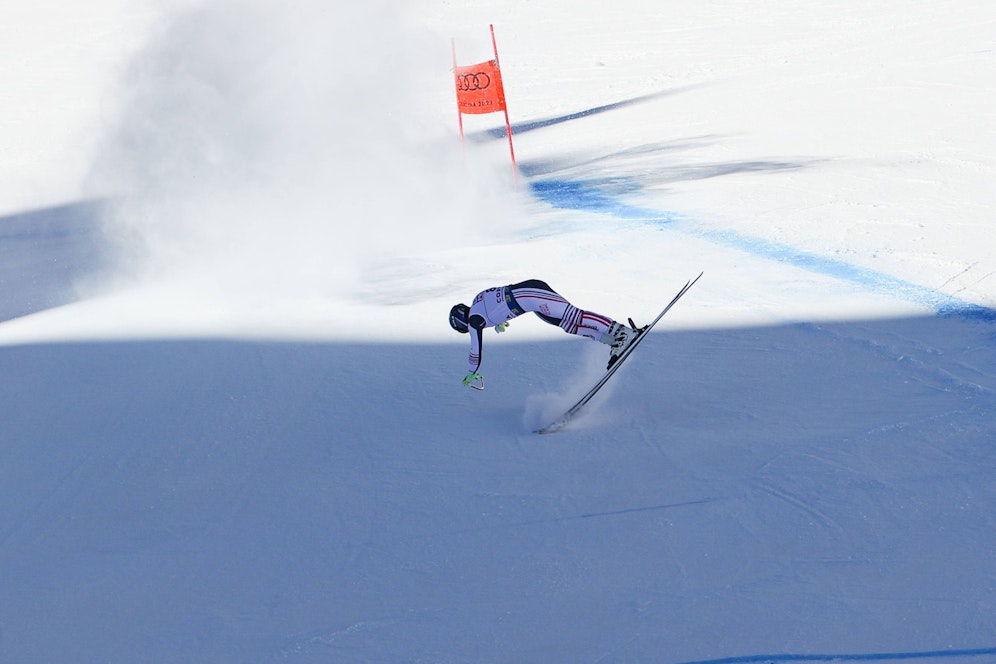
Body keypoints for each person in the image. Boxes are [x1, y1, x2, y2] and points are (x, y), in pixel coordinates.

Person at [449, 279, 640, 389]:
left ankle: (623, 333)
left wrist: (471, 373)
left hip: (530, 295)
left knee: (574, 315)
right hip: (529, 297)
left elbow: (476, 351)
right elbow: (494, 302)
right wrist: (498, 319)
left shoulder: (474, 321)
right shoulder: (476, 303)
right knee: (567, 324)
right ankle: (614, 340)